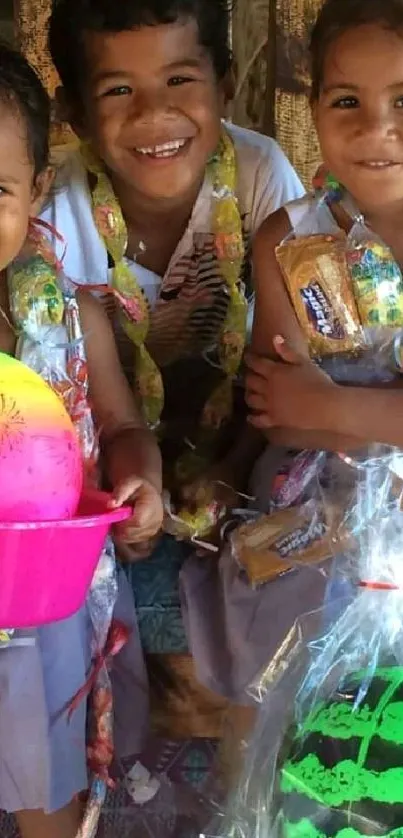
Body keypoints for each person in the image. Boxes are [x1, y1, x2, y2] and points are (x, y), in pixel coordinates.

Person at [42, 0, 304, 541]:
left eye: (179, 79)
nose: (152, 114)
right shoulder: (54, 216)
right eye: (119, 90)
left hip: (239, 441)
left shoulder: (260, 179)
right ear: (75, 113)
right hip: (106, 460)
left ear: (224, 84)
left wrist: (233, 471)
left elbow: (289, 358)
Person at [0, 42, 163, 838]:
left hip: (46, 601)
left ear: (33, 190)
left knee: (46, 770)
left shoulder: (69, 314)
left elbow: (125, 426)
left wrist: (139, 485)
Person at [246, 0, 403, 452]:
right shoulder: (288, 240)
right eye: (347, 101)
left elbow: (301, 409)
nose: (375, 127)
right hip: (320, 505)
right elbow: (274, 412)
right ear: (314, 109)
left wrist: (327, 406)